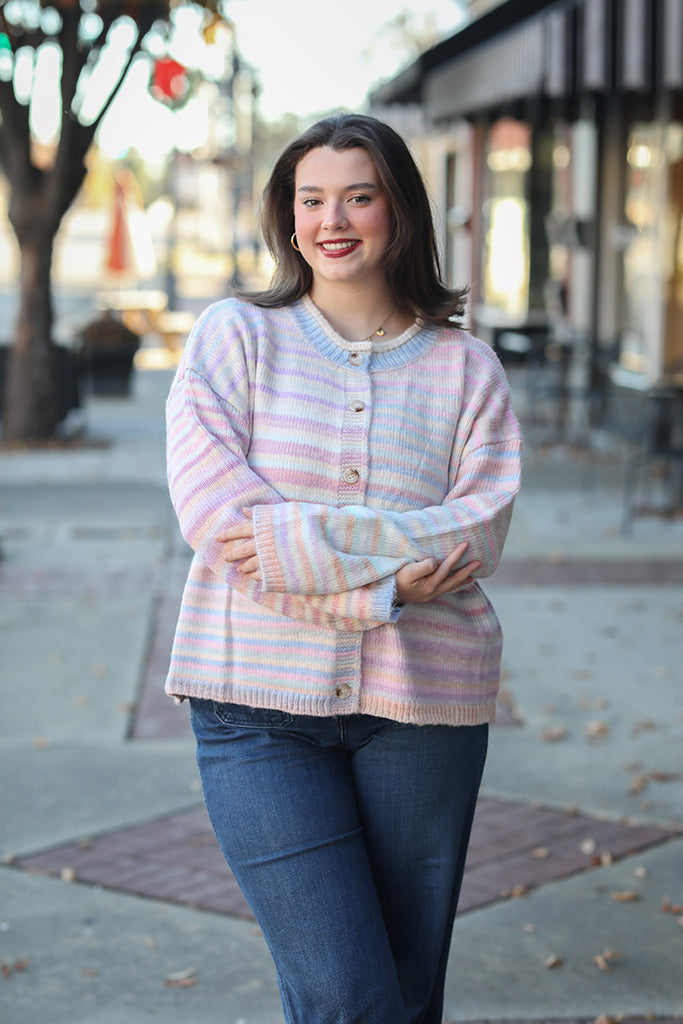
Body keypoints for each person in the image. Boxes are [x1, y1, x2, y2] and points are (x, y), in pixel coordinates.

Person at [165, 113, 522, 1024]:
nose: (333, 219)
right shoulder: (233, 338)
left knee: (402, 995)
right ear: (288, 220)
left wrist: (303, 540)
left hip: (424, 712)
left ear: (398, 210)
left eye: (357, 196)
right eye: (310, 198)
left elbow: (475, 532)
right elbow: (221, 522)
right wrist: (388, 581)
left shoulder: (466, 369)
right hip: (256, 710)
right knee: (347, 995)